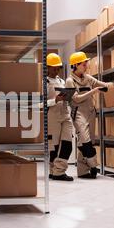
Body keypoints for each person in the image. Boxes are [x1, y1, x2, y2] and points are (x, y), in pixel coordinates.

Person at [65, 52, 112, 179]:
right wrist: (94, 91)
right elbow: (76, 99)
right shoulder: (69, 81)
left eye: (86, 64)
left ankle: (82, 171)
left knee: (87, 142)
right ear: (76, 65)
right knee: (85, 141)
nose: (86, 66)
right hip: (78, 113)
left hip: (91, 113)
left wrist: (108, 86)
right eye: (84, 64)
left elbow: (102, 84)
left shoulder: (88, 78)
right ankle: (93, 165)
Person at [46, 53, 74, 182]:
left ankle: (59, 171)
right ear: (48, 67)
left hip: (65, 114)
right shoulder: (42, 83)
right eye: (54, 67)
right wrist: (54, 100)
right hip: (52, 116)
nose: (57, 70)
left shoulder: (62, 82)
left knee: (67, 144)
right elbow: (39, 103)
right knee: (54, 146)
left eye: (58, 67)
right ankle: (53, 171)